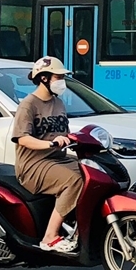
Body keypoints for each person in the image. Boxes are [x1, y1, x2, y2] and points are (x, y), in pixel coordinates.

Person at [12, 56, 83, 253]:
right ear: (44, 78)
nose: (62, 81)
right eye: (58, 77)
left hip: (57, 159)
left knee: (92, 172)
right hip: (33, 165)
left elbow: (64, 133)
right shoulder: (29, 105)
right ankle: (49, 236)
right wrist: (49, 143)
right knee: (74, 180)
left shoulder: (58, 103)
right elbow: (22, 138)